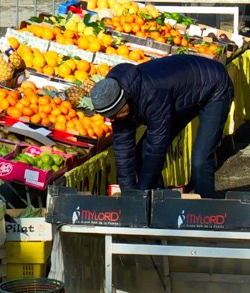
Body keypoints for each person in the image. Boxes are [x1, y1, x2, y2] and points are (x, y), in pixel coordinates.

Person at [88, 53, 238, 197]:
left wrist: (142, 193)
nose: (113, 119)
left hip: (215, 86)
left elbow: (156, 149)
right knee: (141, 152)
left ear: (125, 100)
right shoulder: (114, 96)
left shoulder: (153, 93)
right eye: (110, 116)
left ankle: (206, 213)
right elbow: (123, 151)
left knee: (200, 160)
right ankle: (157, 204)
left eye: (115, 114)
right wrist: (129, 195)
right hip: (183, 92)